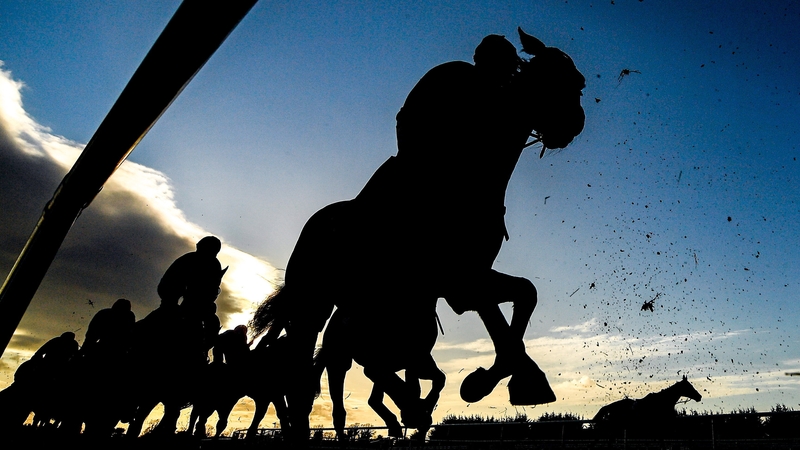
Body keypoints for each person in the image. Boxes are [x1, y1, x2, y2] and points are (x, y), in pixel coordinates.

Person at [355, 34, 554, 405]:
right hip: (417, 159)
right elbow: (424, 124)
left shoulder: (486, 91)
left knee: (491, 283)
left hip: (439, 164)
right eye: (506, 68)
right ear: (487, 62)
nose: (508, 76)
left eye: (512, 70)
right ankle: (511, 360)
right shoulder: (458, 76)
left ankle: (509, 360)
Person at [157, 236, 227, 348]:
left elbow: (211, 290)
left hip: (195, 305)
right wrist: (173, 304)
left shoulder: (213, 265)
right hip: (174, 299)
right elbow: (168, 285)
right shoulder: (188, 260)